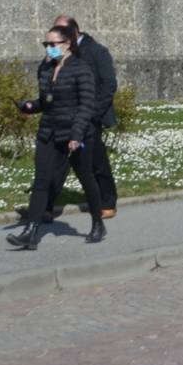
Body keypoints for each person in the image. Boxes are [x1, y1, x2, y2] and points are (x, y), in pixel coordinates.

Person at [6, 23, 102, 250]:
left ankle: (97, 222)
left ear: (67, 44)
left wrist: (77, 135)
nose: (48, 48)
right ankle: (30, 232)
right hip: (48, 132)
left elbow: (86, 105)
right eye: (46, 44)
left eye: (53, 44)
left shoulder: (81, 69)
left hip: (74, 134)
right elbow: (46, 101)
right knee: (41, 181)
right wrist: (30, 106)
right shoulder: (46, 68)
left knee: (86, 178)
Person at [54, 15, 118, 221]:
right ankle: (44, 206)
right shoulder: (60, 52)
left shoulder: (97, 51)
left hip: (90, 117)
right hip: (66, 116)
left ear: (73, 32)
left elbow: (108, 85)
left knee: (96, 161)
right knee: (58, 162)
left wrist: (93, 114)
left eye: (61, 32)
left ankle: (107, 202)